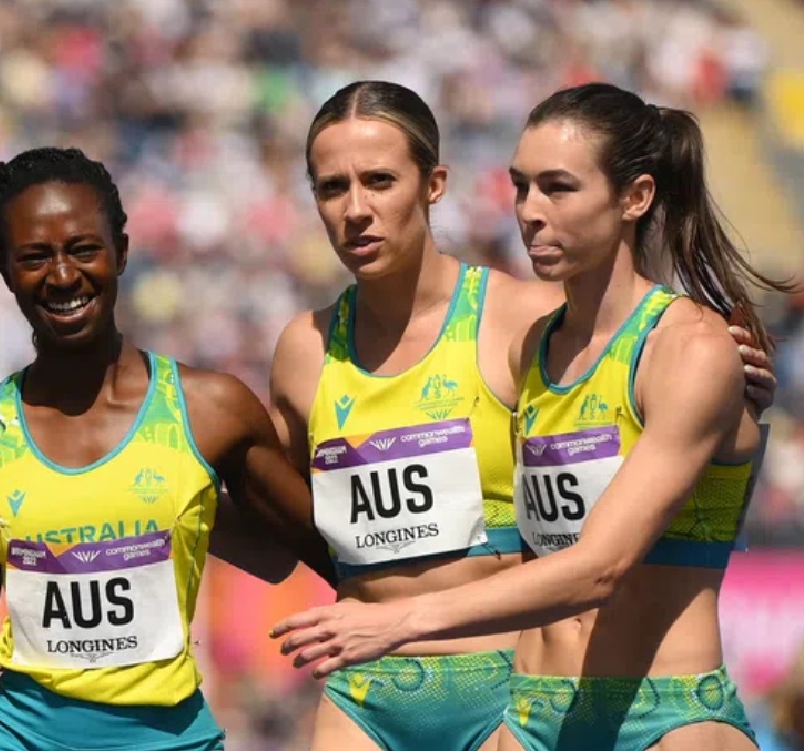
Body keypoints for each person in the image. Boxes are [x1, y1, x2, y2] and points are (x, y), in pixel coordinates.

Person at [272, 81, 798, 751]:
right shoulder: (539, 349)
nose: (528, 211)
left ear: (635, 198)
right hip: (532, 711)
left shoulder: (688, 346)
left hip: (665, 715)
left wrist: (402, 618)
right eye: (521, 187)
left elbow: (599, 564)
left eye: (557, 188)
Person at [0, 147, 333, 751]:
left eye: (84, 249)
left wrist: (191, 510)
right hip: (20, 737)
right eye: (35, 257)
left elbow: (306, 552)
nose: (64, 276)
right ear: (4, 269)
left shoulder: (211, 411)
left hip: (172, 740)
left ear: (121, 250)